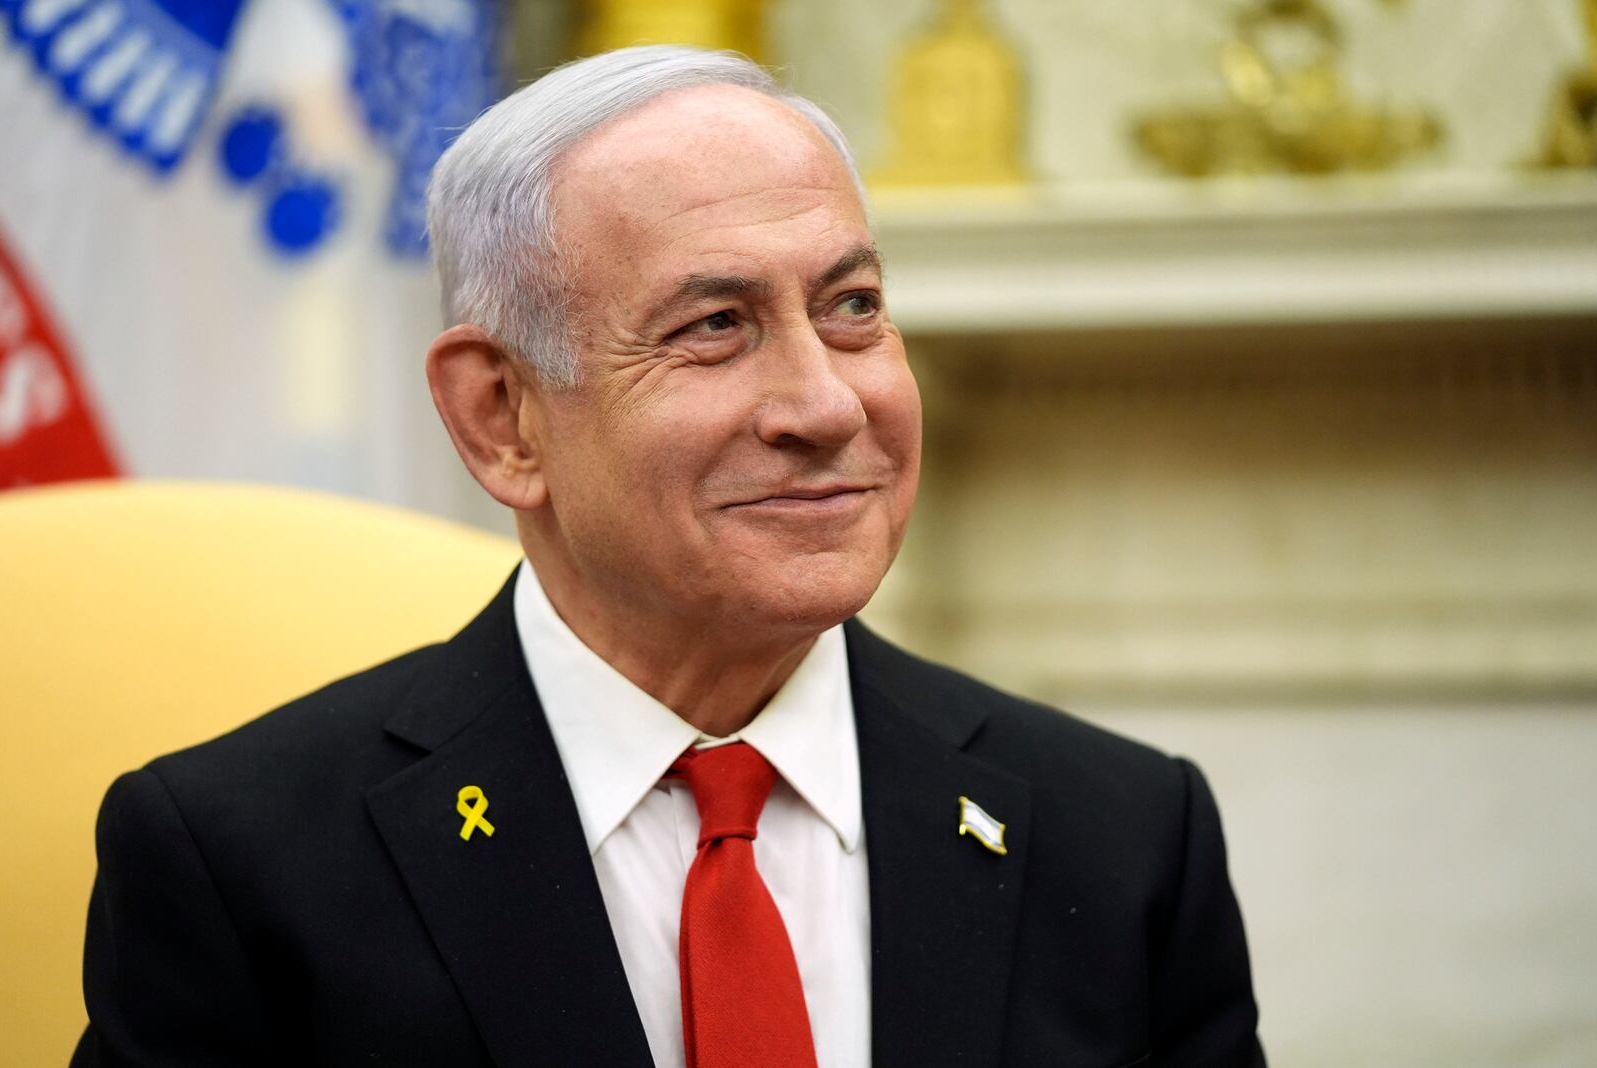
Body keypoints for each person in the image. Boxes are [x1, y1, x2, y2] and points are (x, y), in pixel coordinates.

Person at [73, 46, 1264, 1067]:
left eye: (851, 307)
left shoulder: (1122, 838)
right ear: (502, 416)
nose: (826, 405)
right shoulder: (241, 864)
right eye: (714, 327)